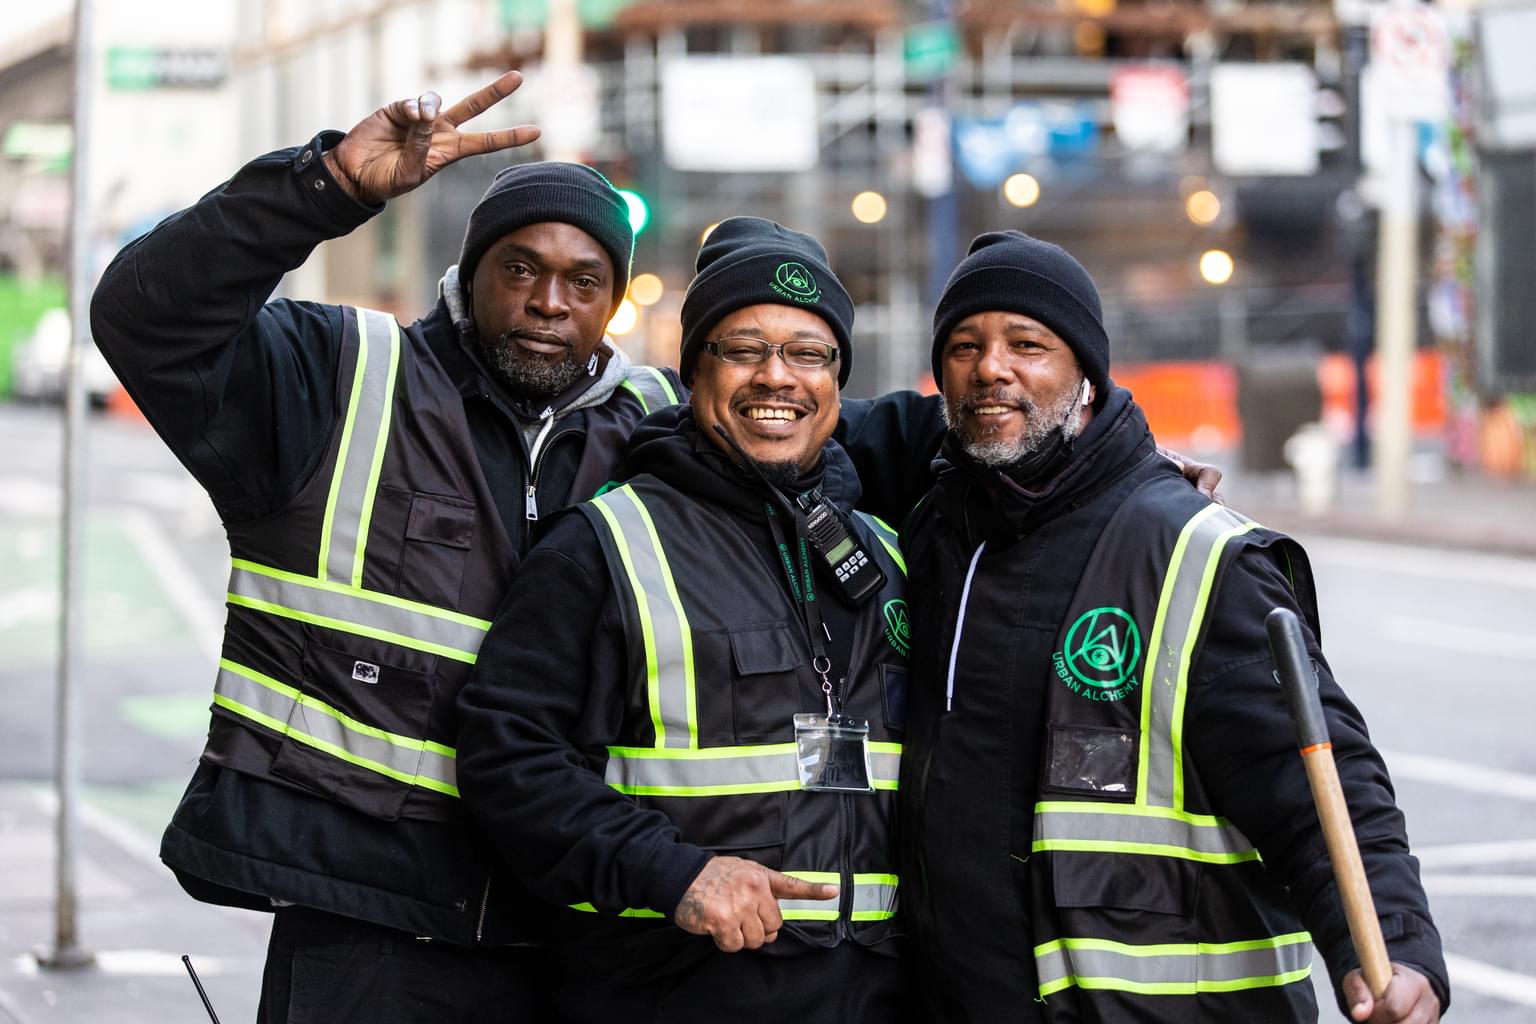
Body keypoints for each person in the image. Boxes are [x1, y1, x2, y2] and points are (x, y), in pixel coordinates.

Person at [88, 72, 683, 1022]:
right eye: (520, 268)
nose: (547, 302)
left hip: (577, 936)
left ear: (612, 301)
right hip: (366, 935)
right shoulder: (339, 378)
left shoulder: (659, 431)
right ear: (472, 271)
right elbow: (146, 317)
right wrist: (325, 185)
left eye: (583, 280)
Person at [896, 231, 1449, 1023]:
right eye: (963, 346)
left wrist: (1391, 945)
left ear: (1085, 374)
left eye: (1028, 344)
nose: (991, 367)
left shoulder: (1194, 552)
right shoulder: (937, 531)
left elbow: (1321, 787)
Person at [456, 218, 912, 1023]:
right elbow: (508, 759)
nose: (779, 378)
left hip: (871, 993)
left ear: (840, 382)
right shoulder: (603, 548)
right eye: (743, 349)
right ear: (694, 368)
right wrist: (675, 875)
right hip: (673, 990)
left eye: (808, 354)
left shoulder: (885, 554)